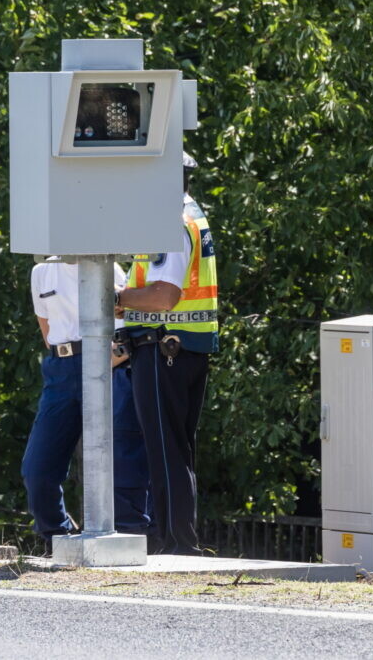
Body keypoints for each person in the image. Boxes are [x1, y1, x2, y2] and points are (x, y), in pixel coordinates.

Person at [115, 152, 218, 555]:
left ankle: (177, 545)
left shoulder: (168, 223)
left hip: (164, 347)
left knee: (165, 449)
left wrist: (115, 299)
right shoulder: (192, 214)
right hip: (184, 347)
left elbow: (164, 295)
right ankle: (179, 540)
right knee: (177, 448)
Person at [22, 257, 151, 555]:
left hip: (108, 366)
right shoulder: (41, 272)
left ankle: (131, 534)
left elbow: (128, 326)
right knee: (37, 467)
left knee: (120, 459)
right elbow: (47, 332)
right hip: (61, 369)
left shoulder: (106, 267)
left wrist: (108, 361)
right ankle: (55, 538)